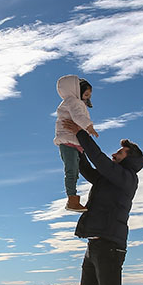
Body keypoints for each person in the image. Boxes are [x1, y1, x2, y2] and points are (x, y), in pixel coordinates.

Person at [62, 117, 143, 285]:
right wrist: (72, 150)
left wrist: (81, 135)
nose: (114, 153)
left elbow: (98, 159)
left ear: (129, 158)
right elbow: (90, 169)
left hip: (110, 246)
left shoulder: (127, 177)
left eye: (120, 152)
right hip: (96, 244)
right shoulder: (110, 178)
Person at [54, 75, 98, 212]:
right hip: (68, 141)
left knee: (74, 171)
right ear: (75, 89)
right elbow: (78, 117)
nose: (88, 96)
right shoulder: (73, 101)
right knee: (71, 171)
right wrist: (89, 126)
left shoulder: (75, 102)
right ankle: (72, 200)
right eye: (86, 93)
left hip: (73, 142)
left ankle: (72, 198)